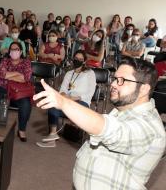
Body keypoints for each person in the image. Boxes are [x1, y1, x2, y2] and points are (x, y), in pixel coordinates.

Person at [33, 57, 165, 190]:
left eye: (122, 80)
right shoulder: (123, 110)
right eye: (115, 78)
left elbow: (109, 130)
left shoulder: (149, 126)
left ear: (144, 89)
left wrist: (63, 102)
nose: (113, 84)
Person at [36, 50, 96, 147]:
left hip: (82, 101)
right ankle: (52, 136)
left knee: (68, 106)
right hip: (67, 99)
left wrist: (74, 98)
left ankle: (53, 137)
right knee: (53, 106)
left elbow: (90, 92)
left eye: (80, 59)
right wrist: (63, 96)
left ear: (84, 61)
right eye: (76, 59)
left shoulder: (90, 73)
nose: (78, 61)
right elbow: (63, 89)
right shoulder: (69, 73)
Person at [0, 42, 32, 142]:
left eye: (16, 49)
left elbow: (26, 77)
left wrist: (8, 75)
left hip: (19, 91)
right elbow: (1, 74)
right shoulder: (5, 61)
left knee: (26, 105)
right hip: (2, 88)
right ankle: (1, 125)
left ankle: (21, 130)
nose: (13, 51)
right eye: (11, 49)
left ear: (20, 51)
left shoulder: (26, 62)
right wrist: (17, 73)